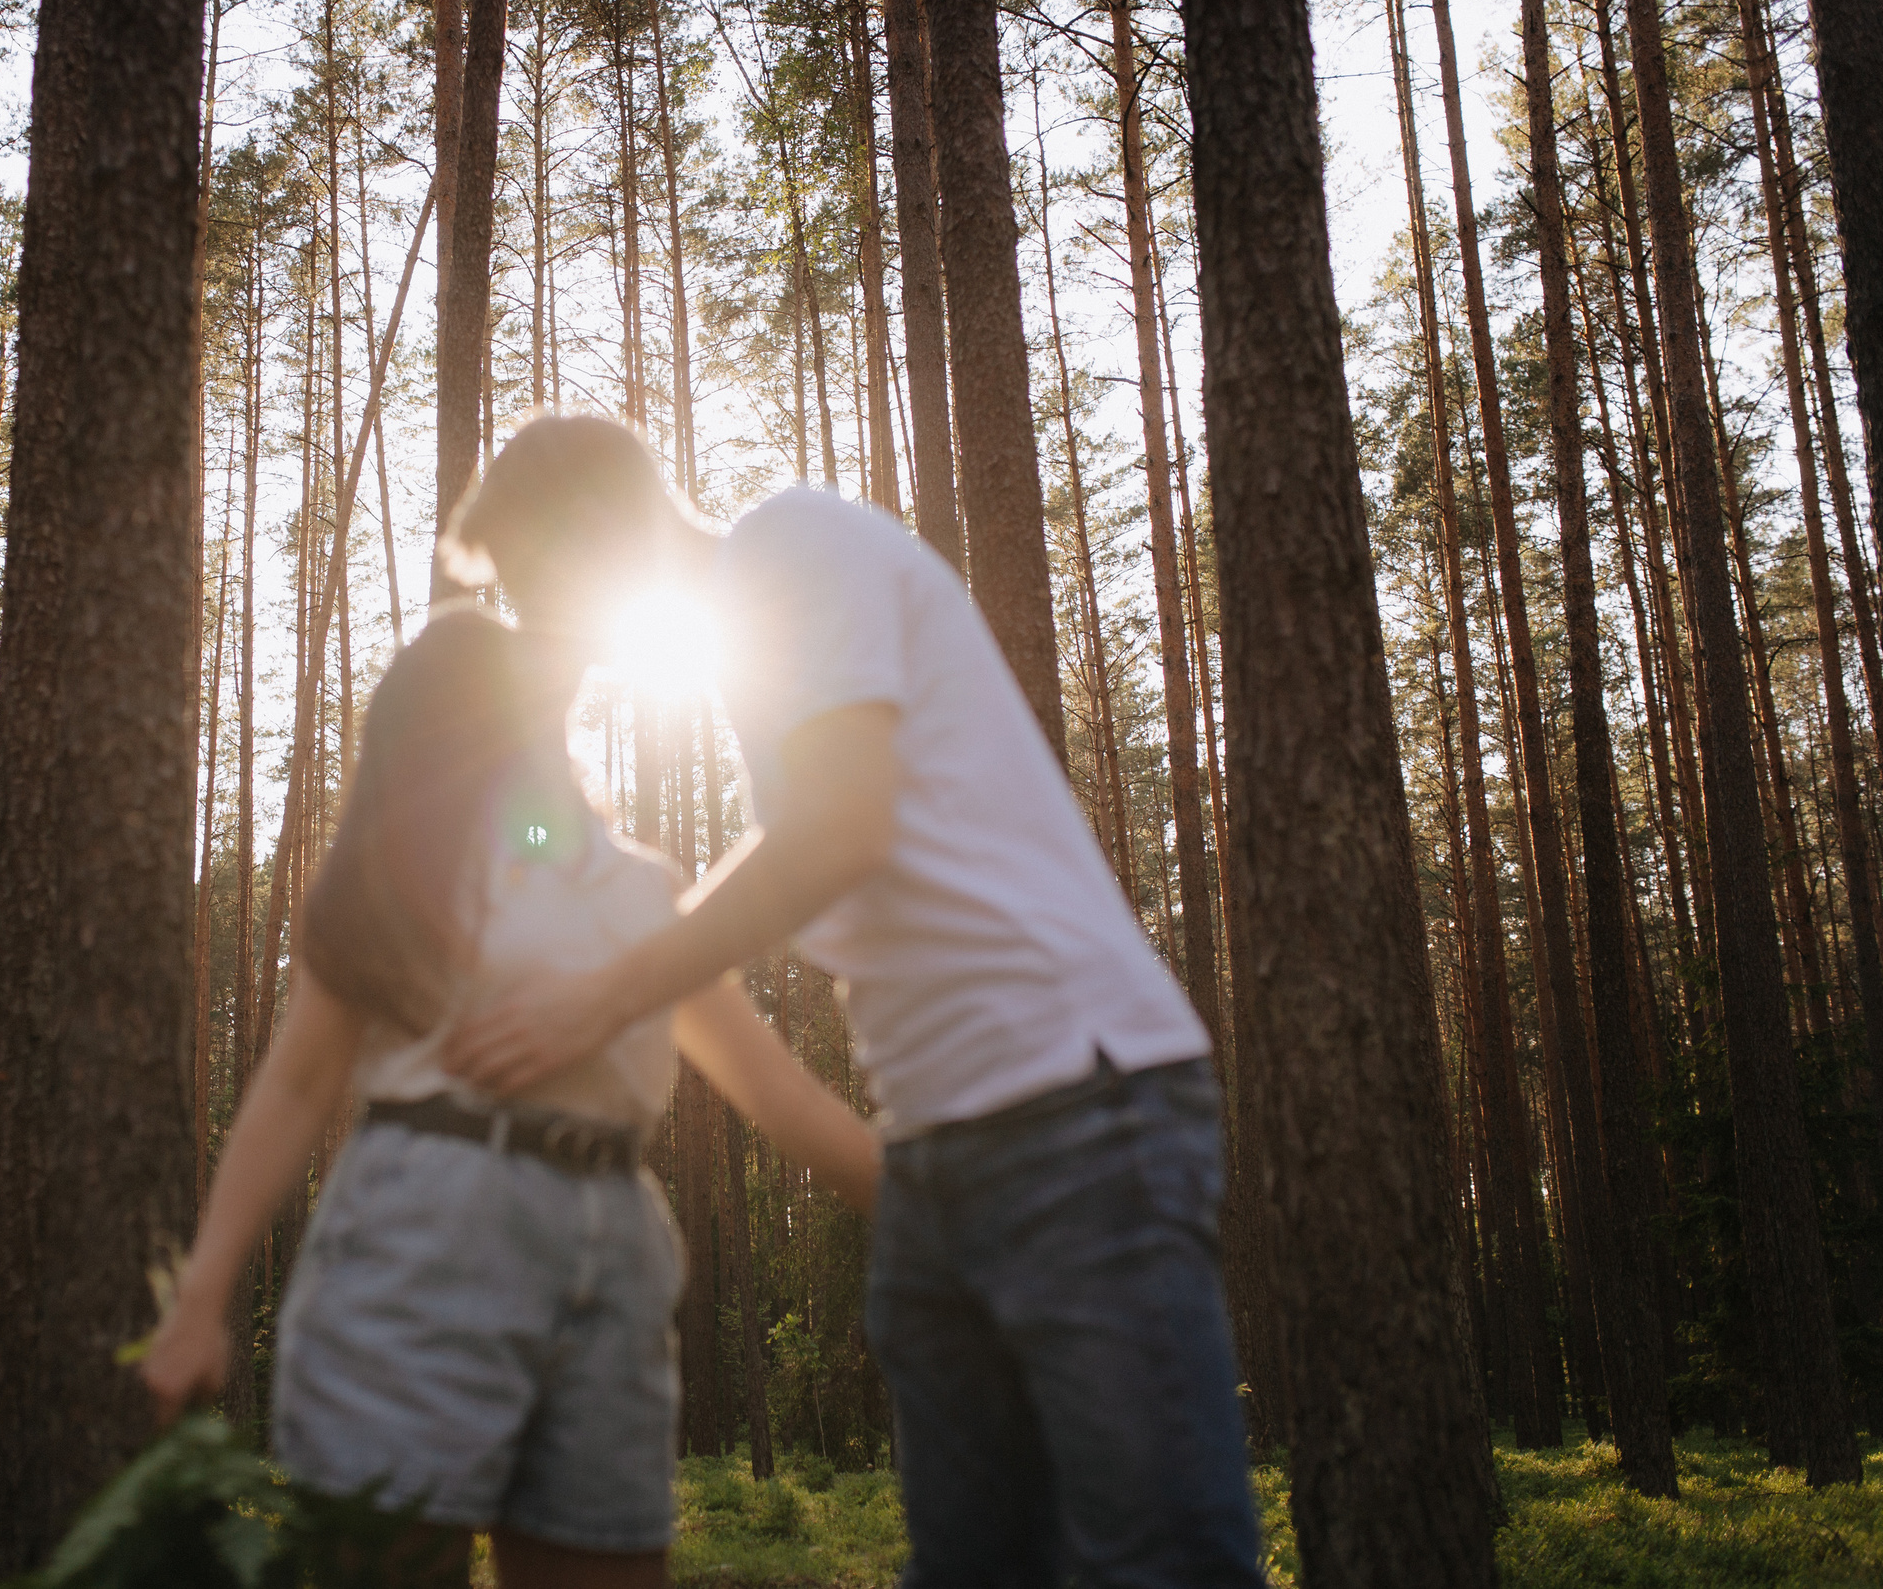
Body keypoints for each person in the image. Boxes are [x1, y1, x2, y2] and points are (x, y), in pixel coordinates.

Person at [438, 416, 1265, 1589]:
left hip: (1082, 1103)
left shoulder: (791, 547)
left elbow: (834, 829)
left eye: (530, 583)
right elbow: (652, 852)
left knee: (1159, 1555)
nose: (535, 624)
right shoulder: (750, 654)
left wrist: (604, 995)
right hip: (941, 1149)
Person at [139, 608, 880, 1589]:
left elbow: (779, 1095)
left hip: (615, 1251)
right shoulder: (391, 876)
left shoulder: (647, 894)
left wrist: (950, 1208)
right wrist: (200, 1300)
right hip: (419, 1232)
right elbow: (296, 1086)